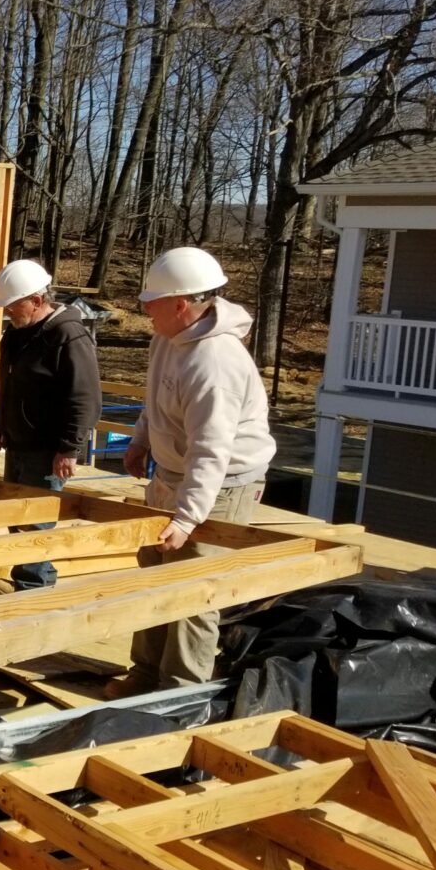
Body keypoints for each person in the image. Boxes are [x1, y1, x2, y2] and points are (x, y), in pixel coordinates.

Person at [105, 246, 277, 697]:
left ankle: (180, 696)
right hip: (174, 472)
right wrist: (141, 440)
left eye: (153, 302)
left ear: (181, 304)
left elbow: (211, 450)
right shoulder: (168, 338)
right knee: (154, 574)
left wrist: (187, 518)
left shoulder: (214, 362)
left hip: (221, 485)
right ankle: (145, 676)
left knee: (192, 590)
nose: (145, 309)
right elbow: (155, 399)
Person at [0, 259, 101, 591]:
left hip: (47, 449)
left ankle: (32, 590)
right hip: (17, 442)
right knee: (15, 515)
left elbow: (85, 398)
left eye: (13, 304)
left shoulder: (67, 335)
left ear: (36, 300)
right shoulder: (16, 334)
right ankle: (32, 582)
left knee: (36, 522)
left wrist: (69, 449)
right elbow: (8, 386)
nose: (7, 310)